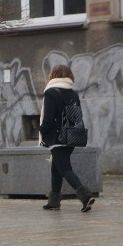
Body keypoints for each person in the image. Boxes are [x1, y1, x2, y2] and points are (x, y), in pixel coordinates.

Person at [39, 64, 94, 212]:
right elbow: (76, 116)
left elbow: (48, 118)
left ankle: (85, 196)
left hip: (56, 138)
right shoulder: (73, 93)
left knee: (64, 168)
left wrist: (42, 130)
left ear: (53, 75)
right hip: (71, 137)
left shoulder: (51, 92)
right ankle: (54, 201)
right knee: (56, 168)